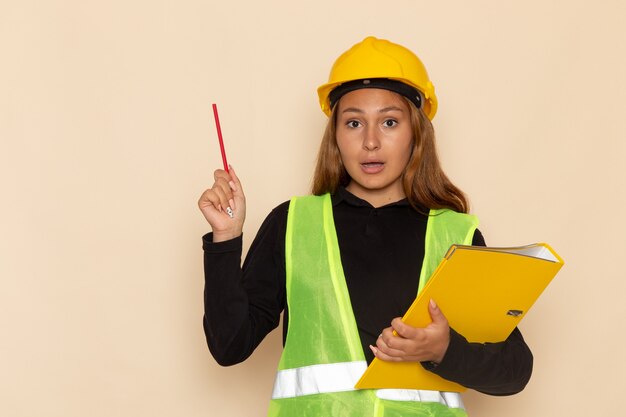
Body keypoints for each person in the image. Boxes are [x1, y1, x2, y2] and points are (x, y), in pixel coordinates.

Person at [198, 36, 533, 417]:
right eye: (354, 123)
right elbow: (229, 346)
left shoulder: (454, 234)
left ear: (416, 134)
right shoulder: (292, 225)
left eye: (389, 122)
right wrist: (226, 239)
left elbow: (514, 371)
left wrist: (442, 350)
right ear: (336, 137)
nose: (370, 142)